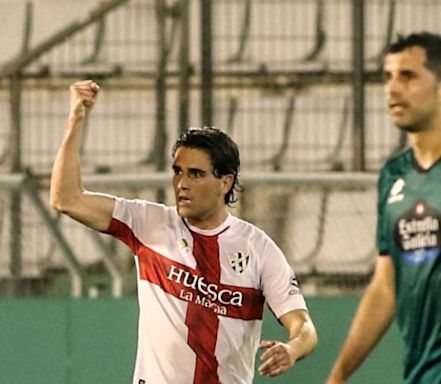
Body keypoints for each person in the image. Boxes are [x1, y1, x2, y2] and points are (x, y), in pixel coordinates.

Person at [50, 80, 318, 384]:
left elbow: (304, 327)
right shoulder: (147, 223)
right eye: (178, 171)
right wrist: (75, 120)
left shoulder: (258, 248)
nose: (182, 184)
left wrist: (292, 349)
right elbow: (66, 198)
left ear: (226, 182)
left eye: (196, 174)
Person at [325, 32, 441, 384]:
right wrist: (338, 376)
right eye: (388, 76)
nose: (392, 89)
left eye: (408, 76)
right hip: (423, 373)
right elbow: (386, 285)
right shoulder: (394, 176)